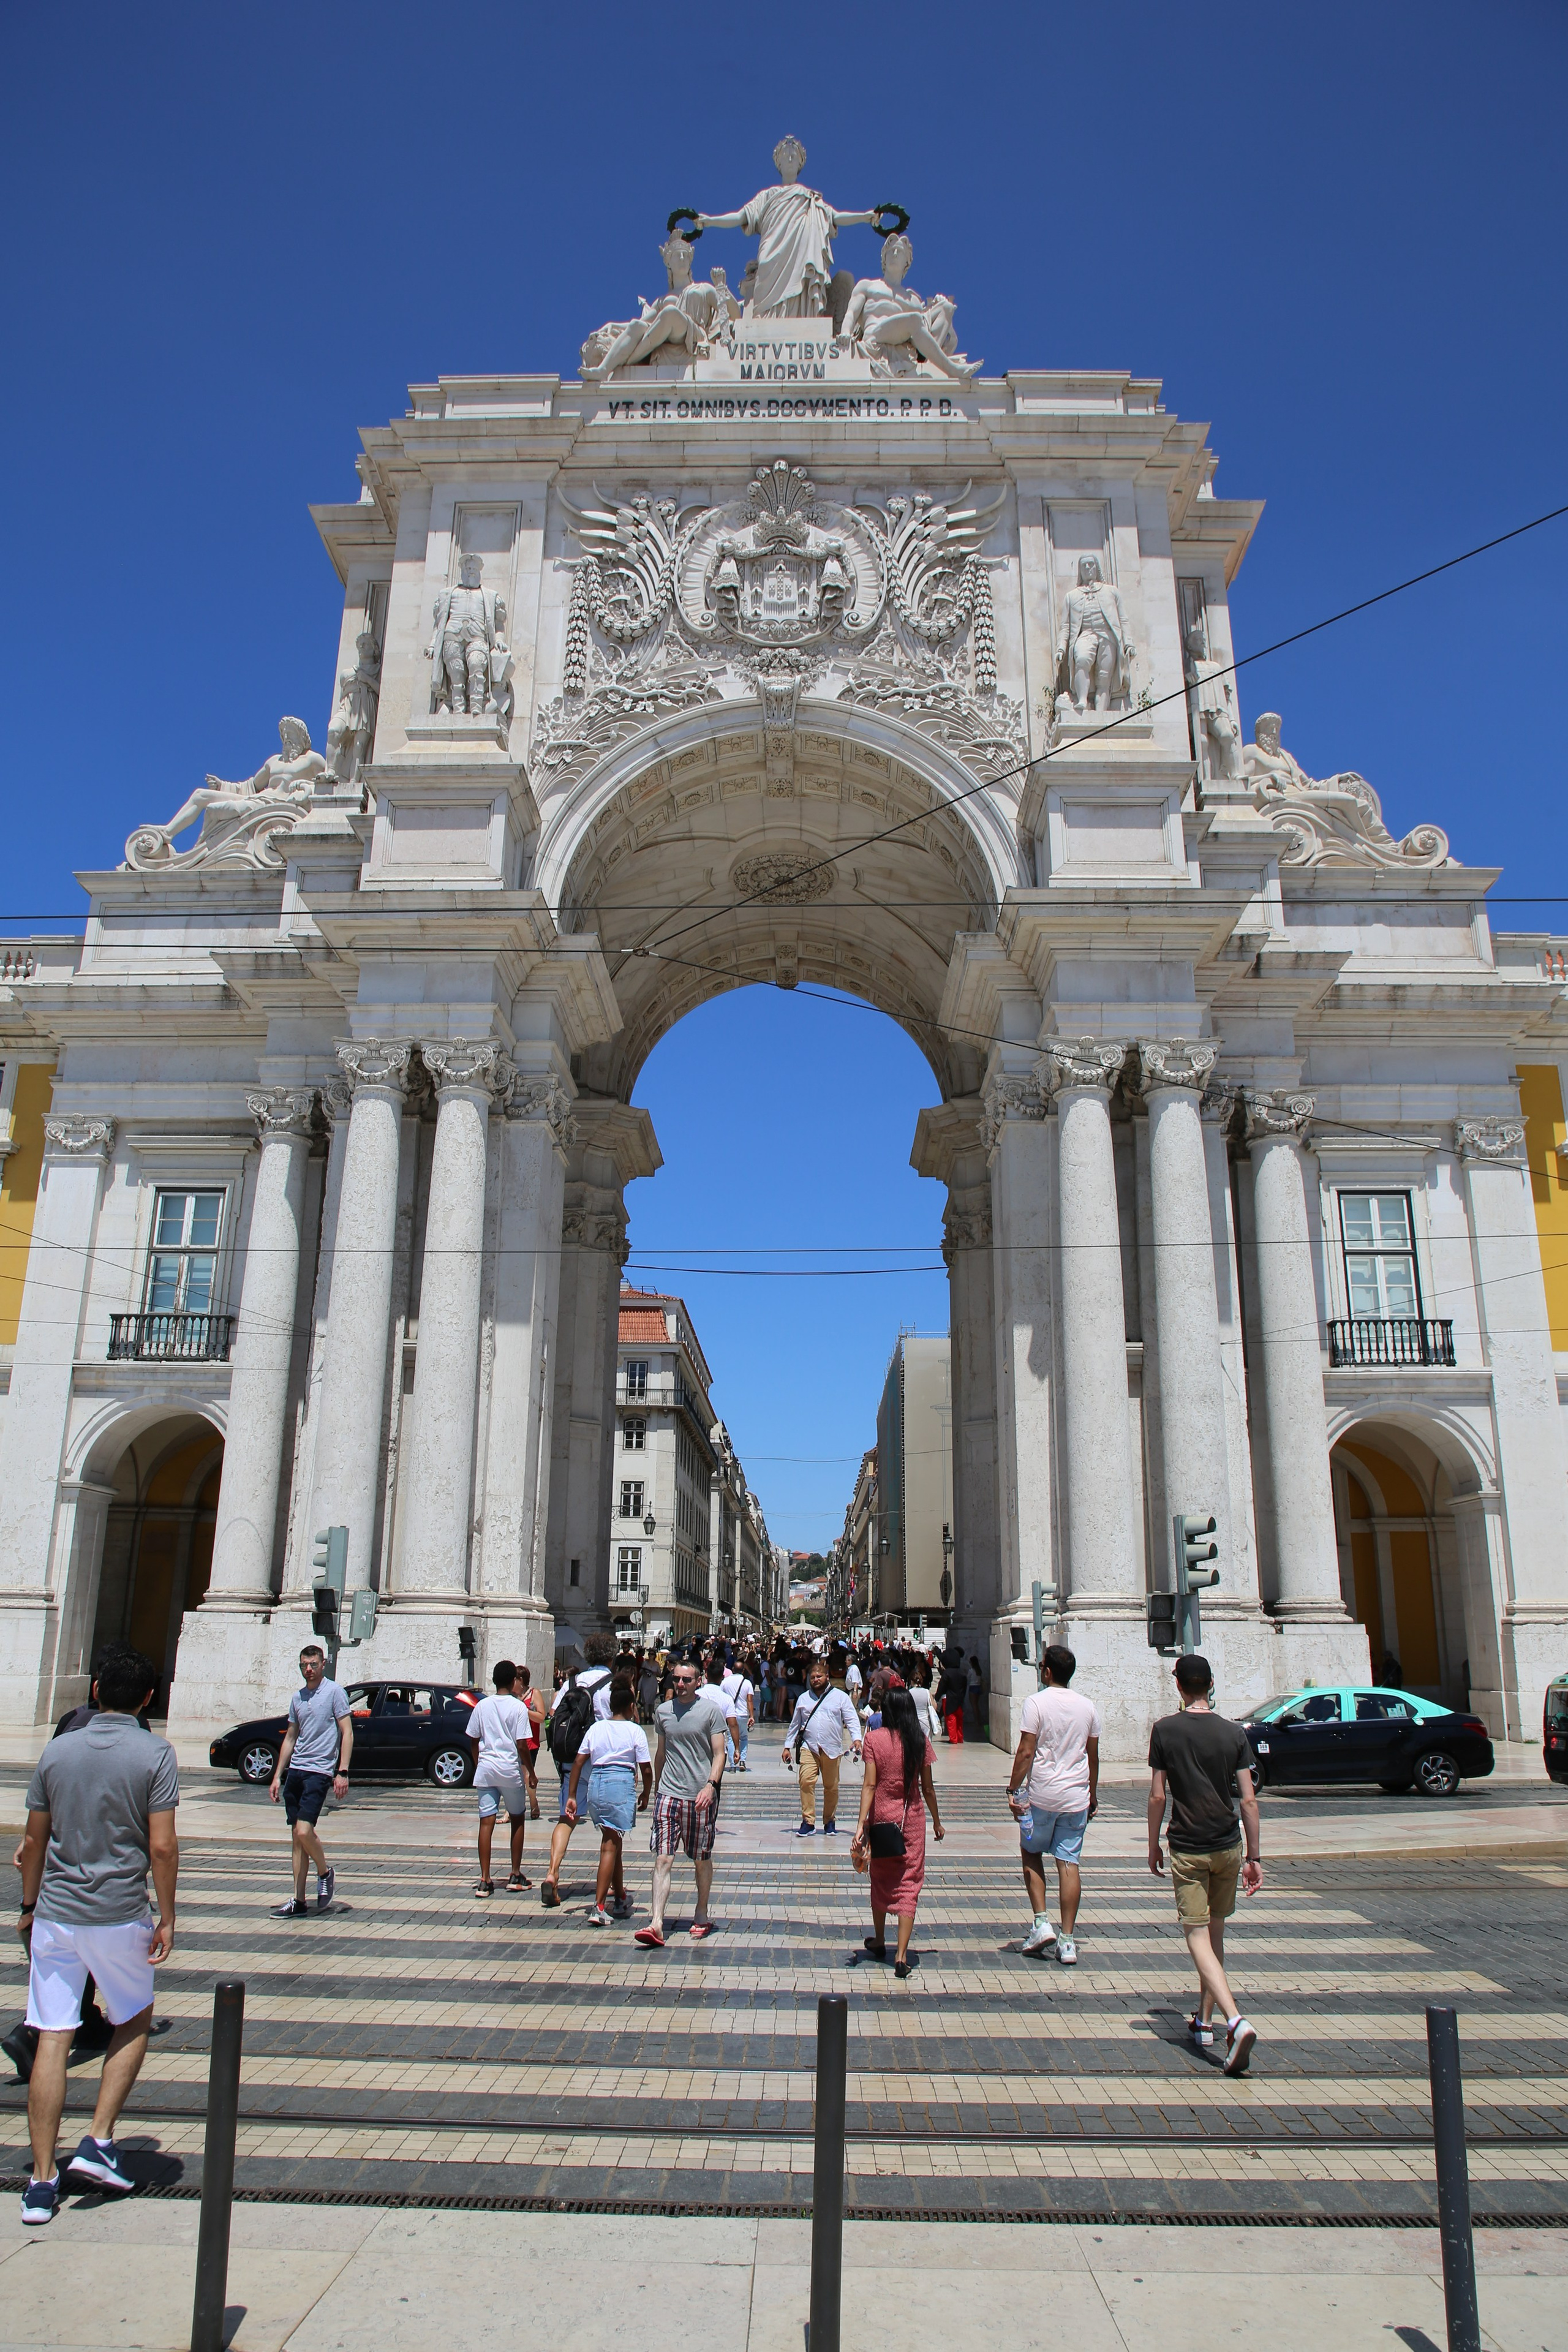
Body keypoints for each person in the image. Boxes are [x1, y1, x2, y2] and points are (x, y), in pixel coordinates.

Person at [14, 1643, 178, 2224]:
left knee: (53, 2037)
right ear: (149, 1698)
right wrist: (168, 1915)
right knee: (131, 2016)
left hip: (57, 1915)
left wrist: (29, 1907)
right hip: (117, 1913)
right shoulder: (155, 1753)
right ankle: (100, 2142)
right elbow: (161, 1845)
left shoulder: (57, 1751)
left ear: (94, 1692)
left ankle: (40, 2182)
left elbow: (32, 1843)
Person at [1147, 1653, 1262, 2076]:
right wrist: (1254, 1857)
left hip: (1189, 1845)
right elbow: (1248, 1799)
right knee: (1216, 1937)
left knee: (1196, 1936)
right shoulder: (1234, 1733)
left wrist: (1152, 1844)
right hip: (1229, 1844)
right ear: (1211, 1685)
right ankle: (1205, 2021)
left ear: (1178, 1685)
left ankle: (1235, 2020)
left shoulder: (1165, 1730)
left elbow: (1159, 1795)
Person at [1006, 1644, 1101, 1966]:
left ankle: (1041, 1922)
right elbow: (1092, 1756)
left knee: (1031, 1852)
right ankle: (1069, 1940)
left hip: (1043, 1795)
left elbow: (1026, 1750)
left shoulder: (1035, 1703)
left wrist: (1013, 1787)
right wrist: (1092, 1794)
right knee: (1069, 1862)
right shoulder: (1088, 1707)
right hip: (1076, 1797)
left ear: (1047, 1671)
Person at [851, 1689, 943, 1978]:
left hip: (882, 1818)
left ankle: (880, 1939)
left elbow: (869, 1785)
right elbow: (927, 1787)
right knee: (908, 1881)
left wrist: (860, 1824)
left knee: (880, 1877)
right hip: (911, 1819)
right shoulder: (920, 1741)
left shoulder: (874, 1740)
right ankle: (901, 1956)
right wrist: (937, 1822)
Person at [637, 1656, 728, 1946]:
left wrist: (711, 1785)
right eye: (676, 1679)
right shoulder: (663, 1712)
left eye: (686, 1680)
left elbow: (719, 1753)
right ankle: (656, 1923)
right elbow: (662, 1752)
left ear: (698, 1681)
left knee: (701, 1858)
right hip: (669, 1793)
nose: (680, 1684)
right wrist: (655, 1789)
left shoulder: (711, 1712)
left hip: (700, 1796)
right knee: (663, 1857)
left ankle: (701, 1913)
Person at [268, 1643, 352, 1918]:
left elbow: (347, 1733)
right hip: (297, 1771)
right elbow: (291, 1737)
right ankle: (299, 1899)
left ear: (322, 1663)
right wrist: (278, 1775)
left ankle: (325, 1872)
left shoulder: (335, 1693)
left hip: (319, 1772)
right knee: (296, 1838)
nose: (309, 1670)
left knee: (305, 1831)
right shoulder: (298, 1698)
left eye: (313, 1665)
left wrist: (343, 1771)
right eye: (304, 1665)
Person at [566, 1682, 653, 1924]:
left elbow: (579, 1762)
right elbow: (645, 1768)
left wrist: (572, 1796)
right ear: (631, 1707)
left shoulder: (596, 1728)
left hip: (597, 1784)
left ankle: (621, 1895)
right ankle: (600, 1906)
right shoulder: (635, 1731)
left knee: (614, 1842)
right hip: (620, 1784)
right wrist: (647, 1792)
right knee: (609, 1845)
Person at [540, 1632, 616, 1909]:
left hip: (572, 1760)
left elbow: (553, 1714)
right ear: (611, 1656)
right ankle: (611, 1890)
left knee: (566, 1818)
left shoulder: (571, 1683)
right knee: (610, 1828)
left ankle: (552, 1873)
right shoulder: (612, 1685)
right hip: (602, 1761)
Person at [465, 1661, 534, 1897]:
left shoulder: (482, 1706)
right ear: (514, 1681)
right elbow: (523, 1745)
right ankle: (515, 1873)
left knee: (487, 1822)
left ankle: (485, 1879)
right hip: (509, 1769)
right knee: (517, 1819)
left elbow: (474, 1740)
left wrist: (478, 1763)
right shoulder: (518, 1708)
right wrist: (531, 1772)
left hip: (486, 1768)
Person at [783, 1657, 862, 1836]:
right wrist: (788, 1746)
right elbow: (795, 1724)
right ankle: (808, 1821)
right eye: (813, 1677)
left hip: (832, 1749)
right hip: (809, 1747)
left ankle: (829, 1821)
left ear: (827, 1677)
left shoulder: (840, 1697)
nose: (816, 1680)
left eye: (819, 1676)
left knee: (831, 1786)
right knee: (805, 1782)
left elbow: (851, 1718)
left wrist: (857, 1738)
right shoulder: (804, 1698)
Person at [936, 1647, 967, 1744]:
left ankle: (953, 1739)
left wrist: (936, 1697)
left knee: (951, 1719)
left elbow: (942, 1687)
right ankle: (960, 1738)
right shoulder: (962, 1672)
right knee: (959, 1720)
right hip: (960, 1699)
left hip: (949, 1699)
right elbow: (965, 1687)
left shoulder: (947, 1673)